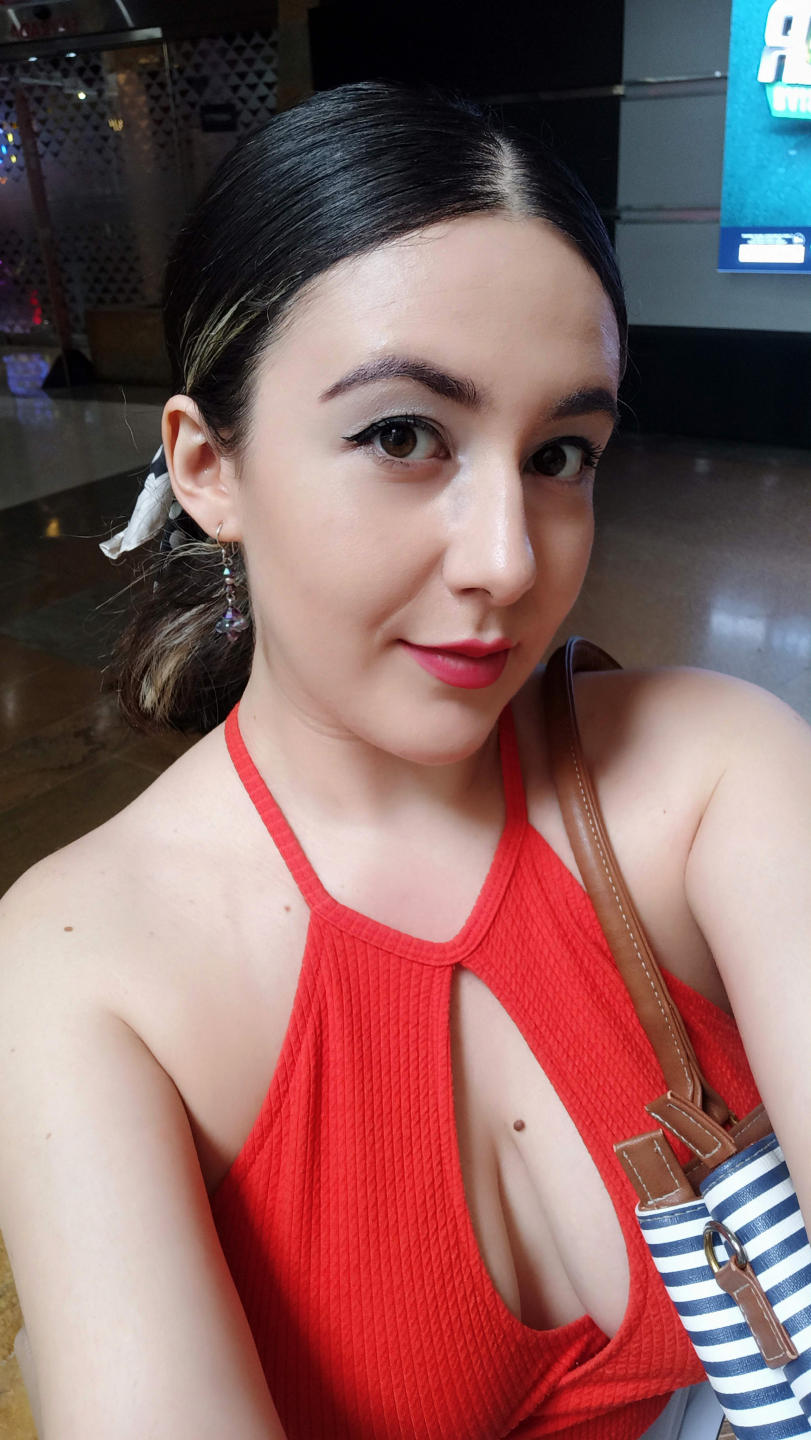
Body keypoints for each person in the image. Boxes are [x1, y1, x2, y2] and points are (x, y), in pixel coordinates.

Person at [0, 78, 809, 1440]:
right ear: (208, 467)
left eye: (561, 453)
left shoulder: (714, 776)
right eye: (401, 435)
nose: (509, 561)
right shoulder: (84, 968)